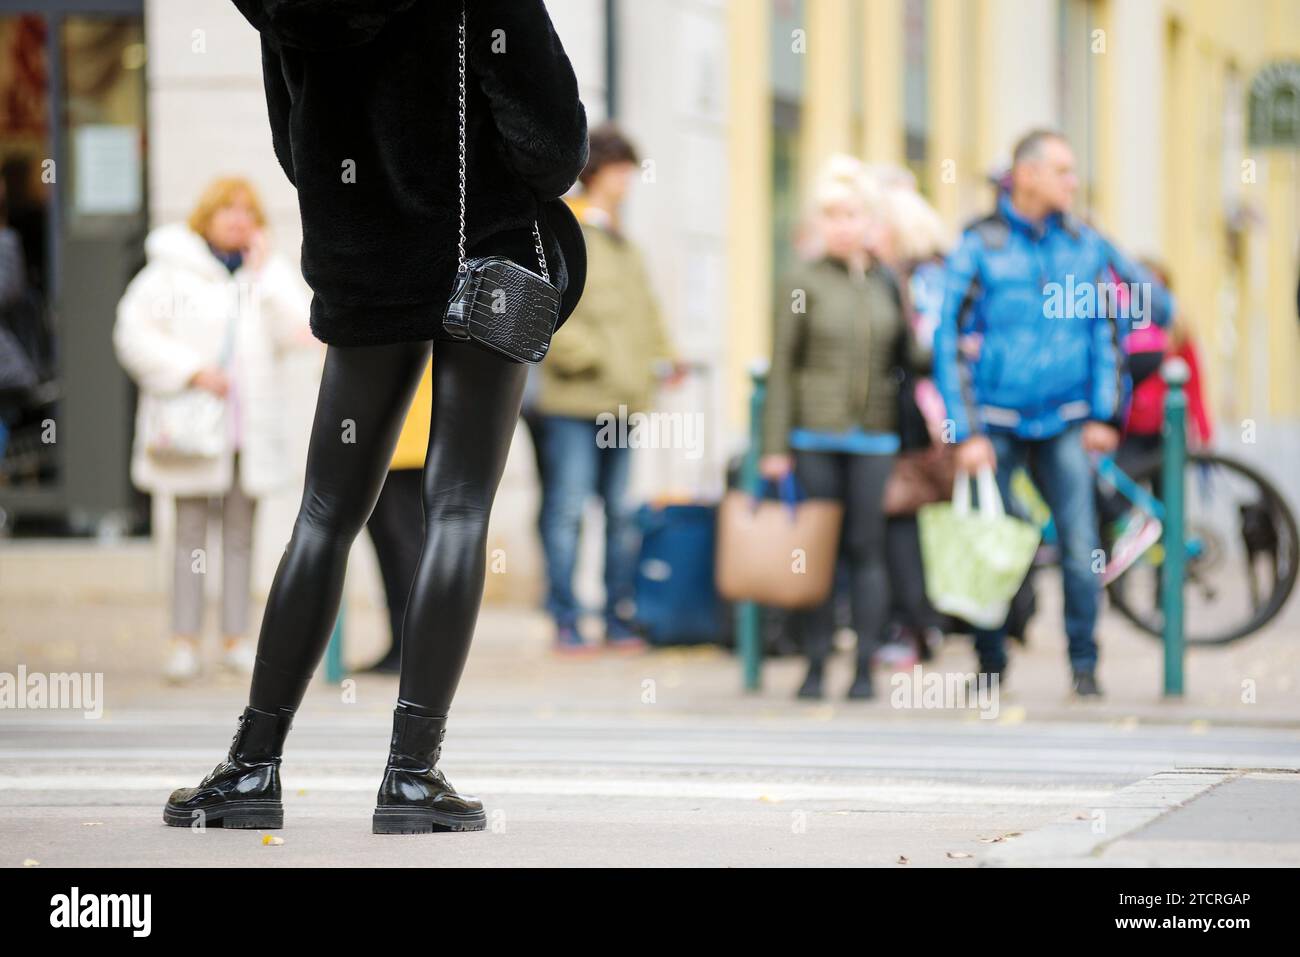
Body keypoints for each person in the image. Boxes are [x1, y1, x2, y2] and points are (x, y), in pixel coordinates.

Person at [163, 0, 589, 834]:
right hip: (484, 257)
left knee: (325, 512)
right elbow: (552, 146)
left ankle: (251, 769)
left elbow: (295, 149)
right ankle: (412, 775)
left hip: (363, 265)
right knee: (459, 507)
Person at [932, 129, 1172, 697]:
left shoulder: (1085, 246)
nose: (1073, 182)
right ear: (1028, 174)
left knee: (1080, 545)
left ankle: (1084, 667)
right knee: (992, 542)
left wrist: (1104, 416)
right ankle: (990, 666)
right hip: (995, 424)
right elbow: (947, 340)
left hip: (1067, 421)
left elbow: (1125, 324)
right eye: (1063, 171)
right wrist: (965, 431)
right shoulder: (980, 246)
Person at [113, 177, 312, 684]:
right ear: (207, 215)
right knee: (190, 539)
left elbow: (300, 332)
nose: (239, 219)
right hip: (194, 431)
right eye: (228, 209)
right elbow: (132, 334)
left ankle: (236, 639)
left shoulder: (265, 273)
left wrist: (264, 275)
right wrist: (191, 370)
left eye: (248, 210)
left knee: (242, 538)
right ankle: (183, 642)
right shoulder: (170, 273)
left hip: (249, 434)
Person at [759, 154, 924, 701]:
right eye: (831, 215)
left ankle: (863, 671)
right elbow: (782, 367)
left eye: (851, 214)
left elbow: (912, 356)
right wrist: (774, 446)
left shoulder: (886, 282)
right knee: (817, 553)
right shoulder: (801, 280)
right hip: (814, 435)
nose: (841, 225)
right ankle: (813, 665)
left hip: (875, 435)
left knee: (867, 549)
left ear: (870, 222)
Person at [535, 123, 684, 654]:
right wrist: (591, 358)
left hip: (622, 402)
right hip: (573, 401)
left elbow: (647, 311)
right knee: (568, 511)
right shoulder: (565, 230)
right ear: (599, 171)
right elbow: (550, 309)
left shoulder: (624, 242)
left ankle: (618, 614)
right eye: (623, 169)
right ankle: (566, 618)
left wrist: (665, 357)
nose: (630, 181)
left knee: (621, 512)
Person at [357, 358, 435, 675]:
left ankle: (413, 647)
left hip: (406, 432)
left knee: (402, 541)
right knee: (389, 542)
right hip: (382, 430)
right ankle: (400, 644)